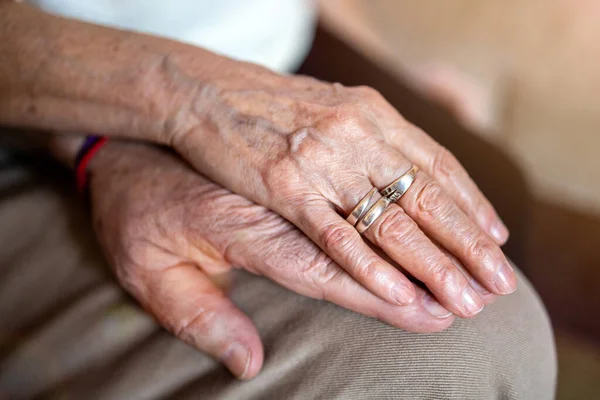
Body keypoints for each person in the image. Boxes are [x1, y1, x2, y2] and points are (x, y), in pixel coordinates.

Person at [0, 1, 556, 398]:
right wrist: (115, 136)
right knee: (468, 347)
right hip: (54, 93)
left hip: (269, 57)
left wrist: (382, 63)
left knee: (496, 183)